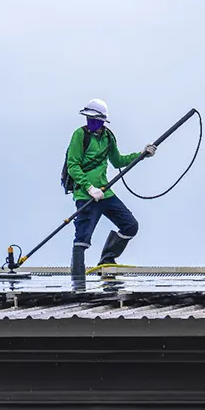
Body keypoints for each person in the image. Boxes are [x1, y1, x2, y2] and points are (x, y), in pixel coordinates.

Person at [64, 99, 156, 283]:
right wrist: (89, 187)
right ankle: (77, 282)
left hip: (105, 193)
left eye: (95, 120)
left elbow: (118, 161)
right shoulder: (80, 135)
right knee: (82, 239)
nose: (91, 123)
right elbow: (72, 165)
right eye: (89, 119)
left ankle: (107, 258)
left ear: (102, 121)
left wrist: (141, 155)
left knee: (130, 225)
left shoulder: (108, 137)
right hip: (86, 194)